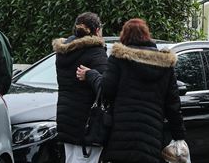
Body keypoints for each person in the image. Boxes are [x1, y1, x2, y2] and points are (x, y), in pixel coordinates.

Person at [77, 18, 185, 163]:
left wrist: (91, 74)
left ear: (124, 36)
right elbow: (173, 106)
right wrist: (179, 136)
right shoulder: (165, 64)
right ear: (147, 35)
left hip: (121, 134)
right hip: (151, 136)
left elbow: (106, 90)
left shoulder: (119, 59)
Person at [53, 12, 109, 163]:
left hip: (67, 119)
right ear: (97, 30)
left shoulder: (64, 52)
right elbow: (106, 88)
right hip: (87, 123)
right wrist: (92, 75)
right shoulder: (95, 52)